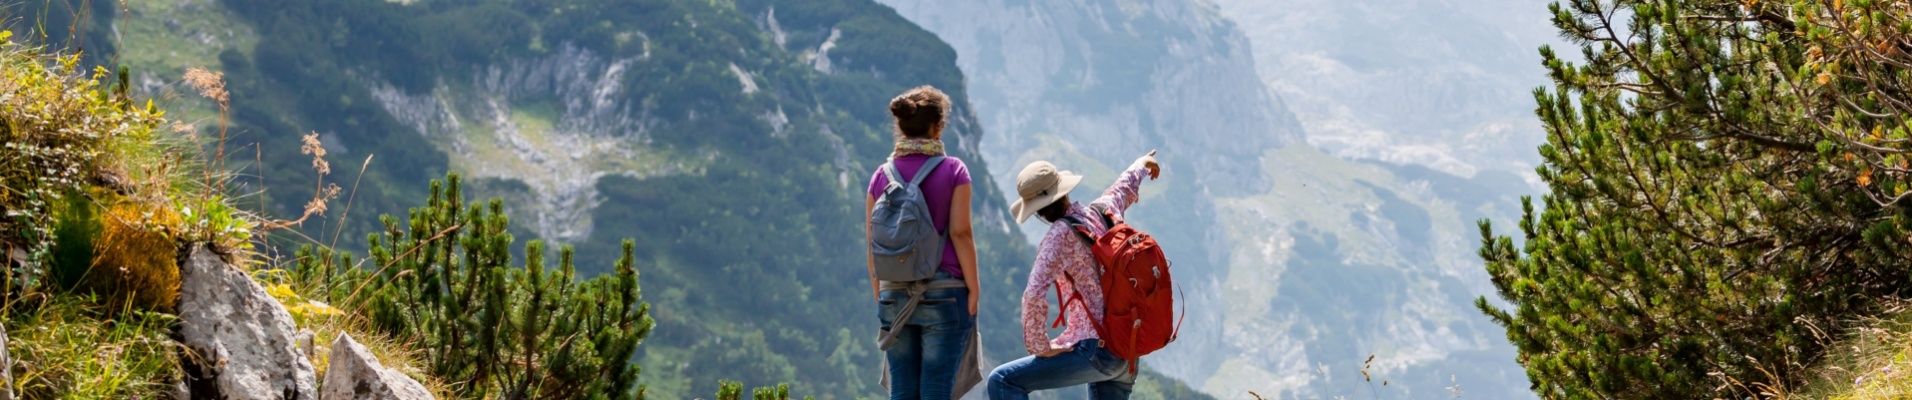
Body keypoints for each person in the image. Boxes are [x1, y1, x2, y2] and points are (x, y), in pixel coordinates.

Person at [987, 151, 1161, 400]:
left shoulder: (1059, 236)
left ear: (1038, 212)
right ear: (1064, 191)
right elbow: (1121, 188)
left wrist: (1040, 347)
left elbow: (1034, 293)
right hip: (1126, 349)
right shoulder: (1102, 212)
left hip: (1096, 351)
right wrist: (1141, 164)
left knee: (1003, 381)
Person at [866, 85, 982, 400]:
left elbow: (872, 241)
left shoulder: (881, 176)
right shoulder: (954, 170)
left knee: (902, 388)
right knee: (936, 388)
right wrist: (973, 288)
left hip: (893, 289)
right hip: (945, 292)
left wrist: (882, 292)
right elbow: (960, 233)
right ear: (938, 127)